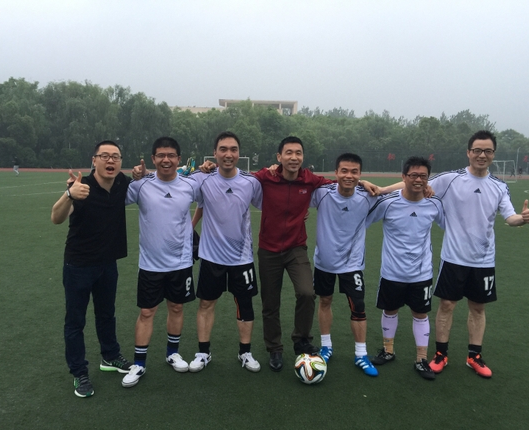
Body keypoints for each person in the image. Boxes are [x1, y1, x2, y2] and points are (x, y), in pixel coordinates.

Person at [254, 137, 379, 372]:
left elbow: (341, 182)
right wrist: (210, 167)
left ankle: (301, 339)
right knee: (270, 302)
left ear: (303, 157)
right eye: (288, 153)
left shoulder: (310, 180)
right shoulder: (266, 177)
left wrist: (361, 181)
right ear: (279, 157)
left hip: (296, 248)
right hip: (268, 249)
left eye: (298, 153)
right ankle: (274, 348)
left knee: (307, 292)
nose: (294, 157)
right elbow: (240, 178)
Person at [428, 130, 529, 378]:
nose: (482, 155)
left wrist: (522, 219)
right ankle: (441, 354)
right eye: (477, 150)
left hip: (483, 260)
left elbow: (510, 217)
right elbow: (418, 183)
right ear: (468, 152)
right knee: (447, 305)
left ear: (493, 154)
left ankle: (474, 356)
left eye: (487, 151)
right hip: (453, 257)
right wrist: (381, 189)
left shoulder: (499, 186)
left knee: (477, 308)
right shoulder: (451, 179)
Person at [51, 140, 132, 398]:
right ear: (94, 160)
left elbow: (147, 181)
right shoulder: (81, 187)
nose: (110, 161)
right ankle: (79, 372)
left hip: (108, 263)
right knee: (75, 321)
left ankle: (110, 356)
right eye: (104, 156)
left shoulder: (122, 183)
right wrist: (69, 195)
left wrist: (142, 174)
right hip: (78, 265)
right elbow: (56, 218)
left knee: (107, 314)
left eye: (115, 156)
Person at [121, 137, 201, 388]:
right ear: (153, 159)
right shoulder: (140, 185)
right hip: (150, 264)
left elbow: (213, 198)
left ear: (179, 159)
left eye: (171, 155)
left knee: (176, 308)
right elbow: (112, 198)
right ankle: (139, 363)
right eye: (161, 155)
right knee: (147, 312)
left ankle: (172, 353)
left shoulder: (190, 185)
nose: (166, 160)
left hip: (181, 262)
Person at [188, 131, 263, 373]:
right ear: (215, 153)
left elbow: (271, 205)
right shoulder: (203, 179)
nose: (228, 154)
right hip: (211, 257)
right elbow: (177, 185)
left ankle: (245, 352)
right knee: (206, 303)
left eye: (233, 149)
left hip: (242, 258)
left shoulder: (251, 182)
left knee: (245, 304)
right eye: (223, 149)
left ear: (239, 153)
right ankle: (203, 352)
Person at [367, 156, 445, 380]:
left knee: (420, 314)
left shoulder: (434, 203)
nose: (418, 180)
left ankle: (421, 360)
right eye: (413, 175)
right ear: (403, 176)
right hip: (392, 272)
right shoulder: (388, 203)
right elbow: (363, 219)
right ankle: (388, 351)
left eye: (423, 176)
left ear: (428, 179)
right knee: (390, 310)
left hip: (421, 273)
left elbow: (449, 225)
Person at [311, 153, 384, 377]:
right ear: (336, 172)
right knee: (325, 301)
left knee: (358, 308)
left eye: (354, 172)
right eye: (344, 171)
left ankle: (361, 354)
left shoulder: (368, 196)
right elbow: (297, 185)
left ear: (360, 174)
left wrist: (366, 184)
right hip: (324, 262)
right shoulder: (322, 193)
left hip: (352, 265)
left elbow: (402, 188)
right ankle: (326, 347)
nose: (349, 176)